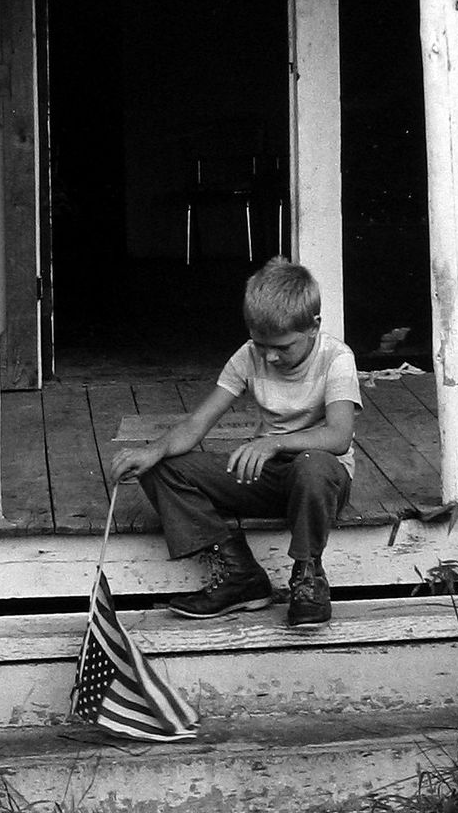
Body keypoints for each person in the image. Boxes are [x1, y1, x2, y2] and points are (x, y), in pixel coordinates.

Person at [110, 256, 360, 628]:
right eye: (261, 346)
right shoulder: (248, 355)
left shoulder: (336, 358)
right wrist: (154, 449)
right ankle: (240, 574)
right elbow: (198, 422)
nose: (270, 356)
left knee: (313, 464)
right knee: (163, 469)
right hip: (268, 475)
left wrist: (274, 443)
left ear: (314, 326)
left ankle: (308, 576)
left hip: (319, 480)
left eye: (283, 346)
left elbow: (338, 437)